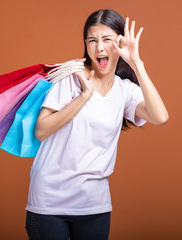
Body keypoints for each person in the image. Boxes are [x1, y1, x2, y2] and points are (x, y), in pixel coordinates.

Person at [25, 9, 169, 240]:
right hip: (49, 201)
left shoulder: (125, 90)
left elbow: (160, 117)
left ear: (120, 43)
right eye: (92, 40)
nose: (99, 48)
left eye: (107, 40)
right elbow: (41, 130)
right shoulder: (72, 78)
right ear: (86, 44)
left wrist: (136, 62)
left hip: (94, 204)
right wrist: (84, 96)